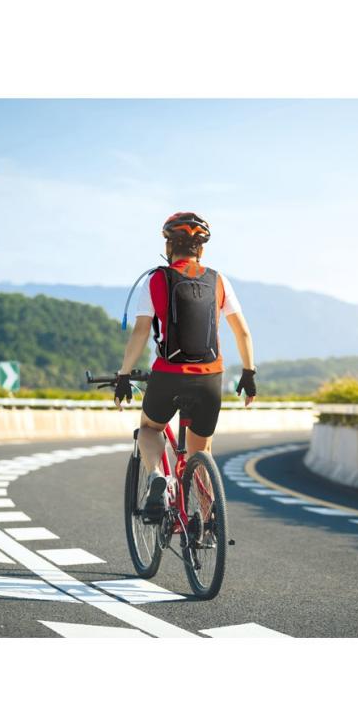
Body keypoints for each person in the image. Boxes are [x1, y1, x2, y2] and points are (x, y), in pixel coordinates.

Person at [114, 212, 257, 522]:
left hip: (168, 375)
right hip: (209, 378)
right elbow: (242, 332)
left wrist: (124, 375)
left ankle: (155, 477)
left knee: (149, 429)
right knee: (200, 452)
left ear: (168, 247)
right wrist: (248, 374)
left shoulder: (156, 280)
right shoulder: (219, 280)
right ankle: (207, 522)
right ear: (201, 250)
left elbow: (140, 332)